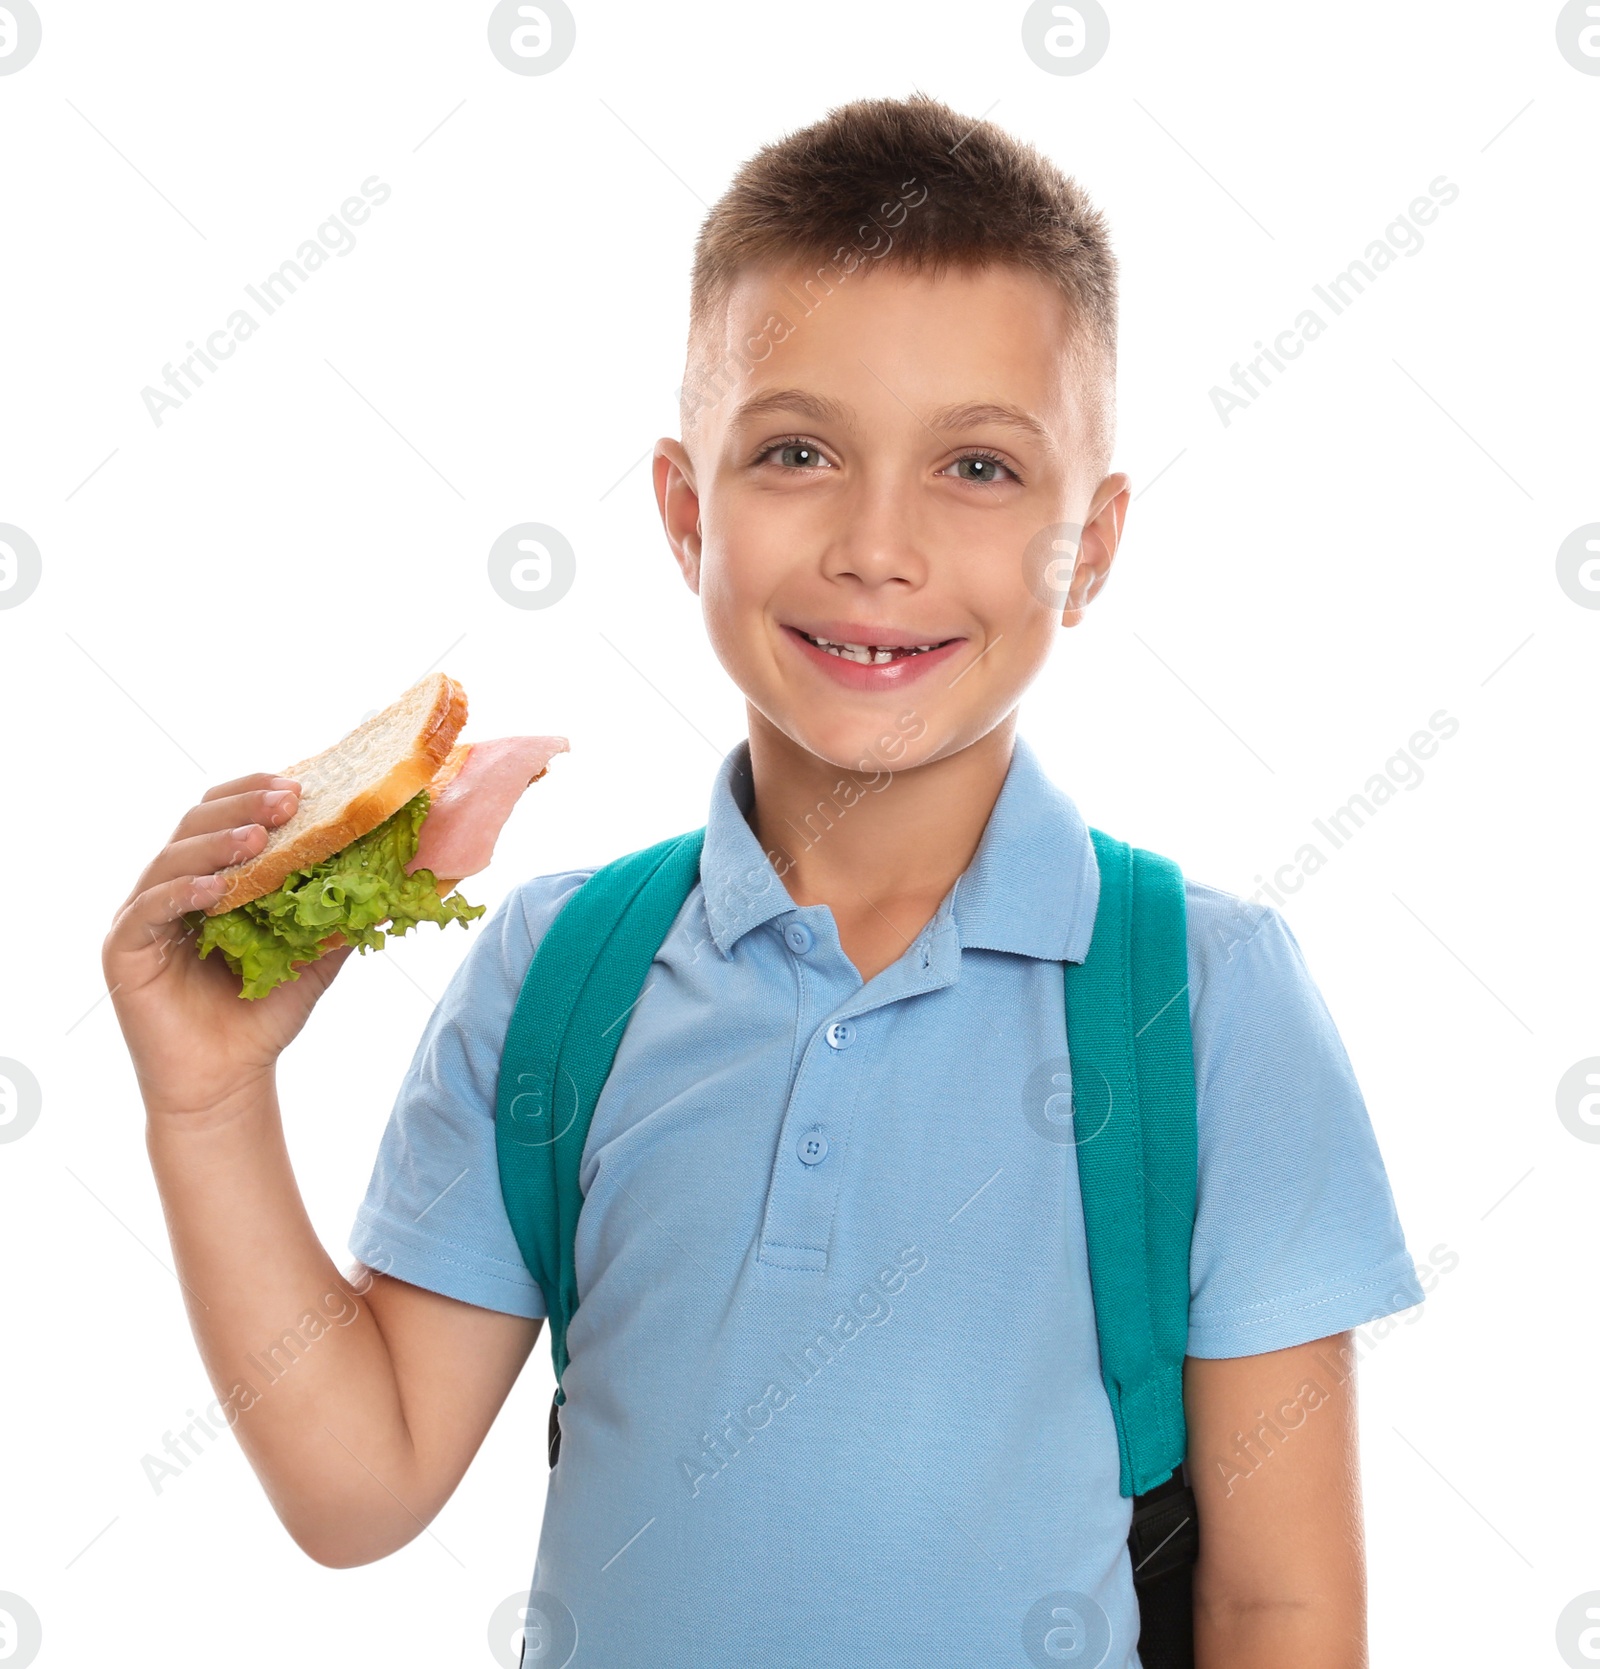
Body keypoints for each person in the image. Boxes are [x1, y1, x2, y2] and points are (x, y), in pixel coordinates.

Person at [103, 92, 1426, 1666]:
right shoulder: (562, 968)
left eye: (980, 468)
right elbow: (358, 1483)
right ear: (685, 509)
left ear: (1093, 543)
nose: (881, 543)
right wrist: (207, 1105)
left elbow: (1282, 1604)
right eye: (797, 450)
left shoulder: (1201, 996)